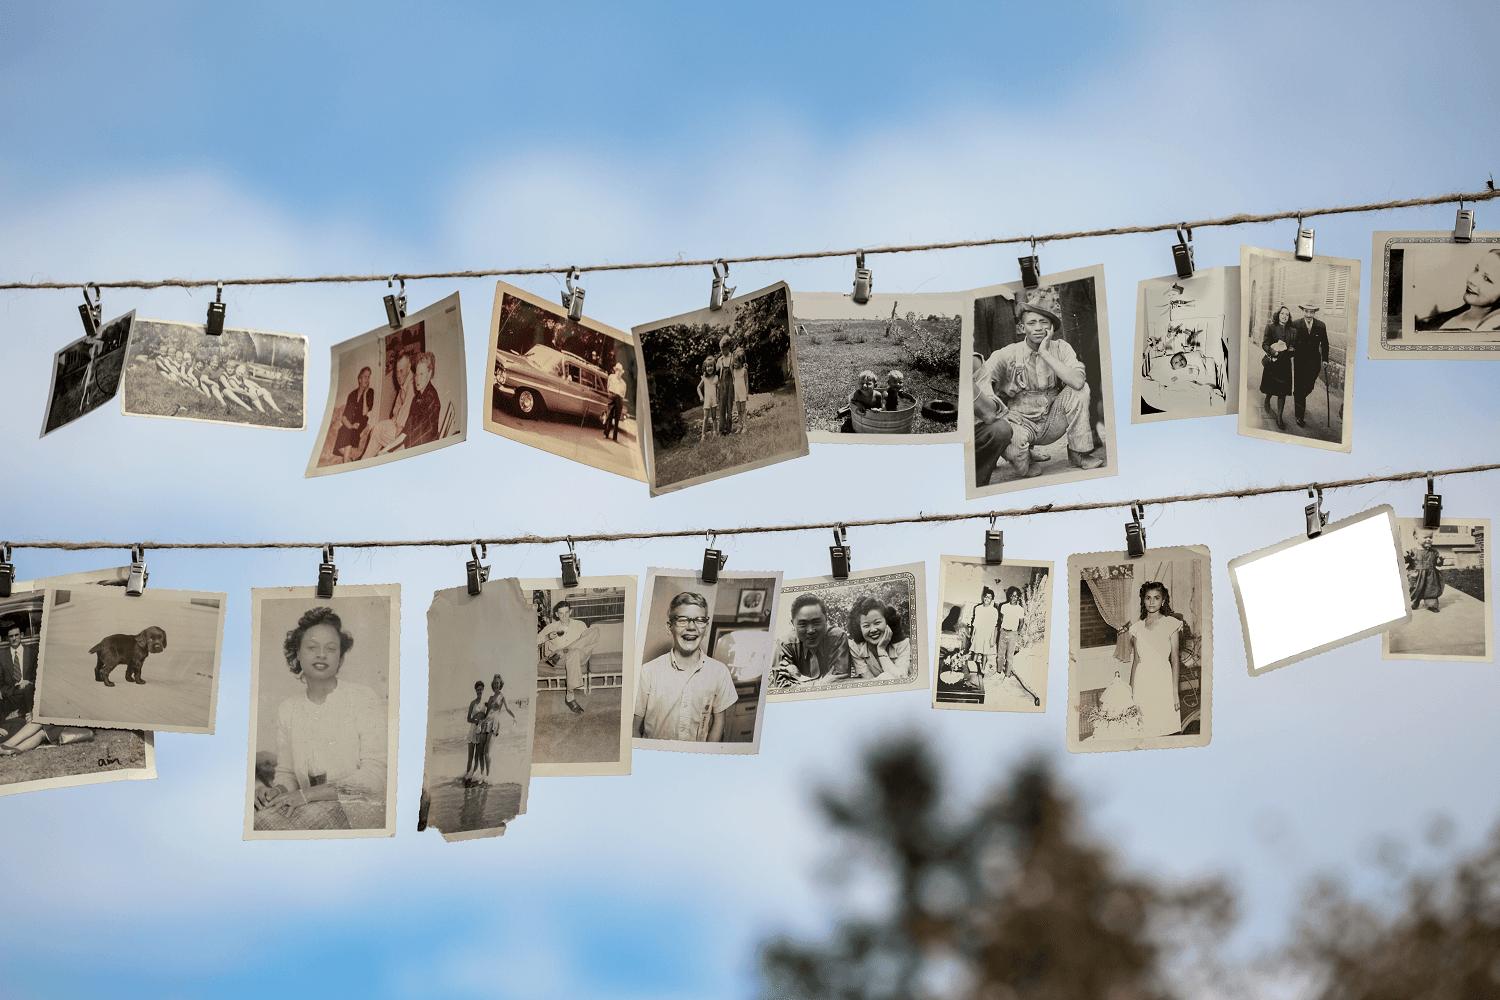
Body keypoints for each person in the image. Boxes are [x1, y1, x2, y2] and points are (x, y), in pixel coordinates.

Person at [254, 606, 387, 831]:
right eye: (312, 647)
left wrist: (307, 795)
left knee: (266, 825)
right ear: (297, 653)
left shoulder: (362, 697)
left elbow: (375, 777)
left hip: (357, 809)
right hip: (306, 806)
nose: (321, 654)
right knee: (256, 819)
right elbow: (287, 775)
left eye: (331, 648)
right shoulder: (288, 709)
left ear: (340, 657)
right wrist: (276, 791)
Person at [975, 287, 1103, 479]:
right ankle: (1026, 455)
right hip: (1021, 424)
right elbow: (981, 382)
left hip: (1053, 420)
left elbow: (1078, 382)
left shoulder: (1061, 348)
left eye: (1044, 322)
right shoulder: (1006, 354)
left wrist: (1045, 353)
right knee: (1026, 470)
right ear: (1021, 328)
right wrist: (1002, 413)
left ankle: (1078, 453)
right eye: (1031, 323)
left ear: (1052, 327)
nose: (1037, 328)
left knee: (1081, 390)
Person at [634, 592, 737, 741]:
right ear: (670, 627)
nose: (691, 627)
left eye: (699, 620)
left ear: (706, 628)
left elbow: (719, 722)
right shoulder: (648, 672)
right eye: (682, 620)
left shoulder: (719, 672)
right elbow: (633, 729)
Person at [1122, 582, 1182, 739]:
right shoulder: (1137, 628)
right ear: (1143, 600)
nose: (1152, 602)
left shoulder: (1171, 624)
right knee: (1144, 730)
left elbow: (1175, 659)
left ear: (1163, 601)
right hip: (1143, 682)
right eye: (1148, 598)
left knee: (1164, 730)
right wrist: (1131, 692)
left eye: (1156, 598)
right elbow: (1136, 661)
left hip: (1163, 681)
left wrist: (1175, 692)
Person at [772, 593, 851, 689]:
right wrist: (823, 683)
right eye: (803, 624)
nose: (810, 630)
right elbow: (783, 689)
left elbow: (839, 682)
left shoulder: (837, 638)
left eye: (816, 622)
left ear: (826, 620)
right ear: (793, 624)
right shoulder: (785, 645)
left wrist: (800, 678)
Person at [1416, 247, 1500, 332]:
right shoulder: (1448, 316)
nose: (1472, 280)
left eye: (1487, 279)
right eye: (1476, 269)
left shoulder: (1488, 332)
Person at [537, 600, 590, 715]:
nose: (564, 616)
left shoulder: (580, 625)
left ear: (570, 612)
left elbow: (587, 641)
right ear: (557, 614)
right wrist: (547, 636)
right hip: (557, 658)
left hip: (578, 654)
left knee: (594, 632)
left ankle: (567, 650)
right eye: (561, 613)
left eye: (566, 612)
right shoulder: (551, 627)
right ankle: (570, 696)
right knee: (574, 653)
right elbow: (535, 640)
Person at [845, 596, 911, 680]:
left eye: (877, 623)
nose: (873, 630)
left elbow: (901, 679)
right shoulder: (856, 648)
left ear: (888, 622)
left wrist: (881, 651)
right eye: (866, 626)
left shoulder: (903, 644)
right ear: (859, 628)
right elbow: (869, 682)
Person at [362, 353, 414, 458]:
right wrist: (390, 424)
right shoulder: (404, 384)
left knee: (377, 434)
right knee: (376, 428)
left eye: (401, 371)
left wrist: (394, 443)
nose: (398, 375)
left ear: (408, 368)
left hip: (407, 431)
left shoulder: (411, 385)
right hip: (398, 424)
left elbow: (402, 419)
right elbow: (396, 409)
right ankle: (365, 460)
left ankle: (365, 461)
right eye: (396, 371)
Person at [972, 352, 1012, 487]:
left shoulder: (973, 362)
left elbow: (988, 414)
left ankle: (978, 486)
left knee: (1000, 430)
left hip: (969, 434)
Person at [1290, 302, 1329, 429]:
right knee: (1299, 386)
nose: (1308, 314)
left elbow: (1325, 344)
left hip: (1314, 361)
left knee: (1309, 386)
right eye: (1306, 311)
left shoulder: (1321, 325)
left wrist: (1325, 359)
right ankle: (1299, 415)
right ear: (1303, 311)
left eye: (1311, 312)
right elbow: (1290, 341)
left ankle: (1299, 397)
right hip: (1299, 361)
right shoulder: (1295, 324)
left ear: (1314, 313)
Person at [1259, 305, 1296, 430]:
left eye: (1287, 314)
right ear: (1278, 315)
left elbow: (1293, 350)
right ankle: (1267, 399)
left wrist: (1291, 350)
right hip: (1272, 364)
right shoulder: (1270, 327)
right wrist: (1272, 352)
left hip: (1285, 365)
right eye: (1282, 313)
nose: (1285, 316)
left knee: (1282, 393)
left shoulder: (1292, 331)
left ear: (1289, 317)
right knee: (1270, 387)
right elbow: (1265, 344)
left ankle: (1279, 417)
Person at [334, 366, 375, 463]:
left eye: (368, 377)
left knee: (350, 435)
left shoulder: (370, 392)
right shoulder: (352, 395)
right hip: (350, 423)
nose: (367, 379)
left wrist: (365, 394)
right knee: (339, 446)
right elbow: (344, 416)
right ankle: (350, 461)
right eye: (365, 377)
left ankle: (346, 467)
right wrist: (349, 425)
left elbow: (365, 412)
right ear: (359, 379)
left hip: (360, 422)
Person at [402, 352, 441, 448]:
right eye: (416, 374)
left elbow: (423, 435)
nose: (417, 379)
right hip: (415, 445)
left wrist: (399, 450)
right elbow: (406, 431)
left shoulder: (432, 398)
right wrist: (389, 447)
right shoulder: (416, 399)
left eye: (422, 374)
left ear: (430, 373)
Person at [482, 673, 516, 778]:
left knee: (487, 751)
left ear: (500, 684)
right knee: (483, 751)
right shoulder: (490, 697)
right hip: (486, 723)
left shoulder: (502, 696)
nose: (496, 685)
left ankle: (488, 776)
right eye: (495, 683)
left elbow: (507, 708)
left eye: (498, 683)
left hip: (494, 723)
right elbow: (486, 713)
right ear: (493, 685)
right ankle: (484, 774)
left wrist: (514, 716)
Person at [966, 587, 1000, 678]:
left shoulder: (994, 611)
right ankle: (973, 669)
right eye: (985, 596)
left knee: (985, 653)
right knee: (976, 652)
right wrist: (973, 635)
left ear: (992, 599)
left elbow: (994, 627)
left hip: (988, 634)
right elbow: (975, 624)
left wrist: (993, 639)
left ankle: (983, 670)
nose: (987, 599)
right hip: (979, 633)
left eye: (989, 597)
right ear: (983, 597)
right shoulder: (978, 608)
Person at [1409, 536, 1445, 613]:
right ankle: (1414, 602)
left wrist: (1440, 560)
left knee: (1431, 590)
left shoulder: (1434, 552)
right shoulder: (1413, 551)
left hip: (1431, 576)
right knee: (1415, 589)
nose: (1429, 539)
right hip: (1416, 575)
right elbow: (1405, 559)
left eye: (1431, 537)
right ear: (1416, 538)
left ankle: (1431, 604)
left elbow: (1438, 564)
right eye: (1425, 537)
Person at [464, 680, 489, 784]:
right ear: (475, 690)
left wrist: (483, 723)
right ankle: (467, 775)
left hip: (480, 731)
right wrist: (476, 721)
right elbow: (468, 719)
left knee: (478, 756)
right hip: (472, 731)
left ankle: (474, 775)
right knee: (470, 755)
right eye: (477, 690)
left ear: (483, 690)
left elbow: (488, 716)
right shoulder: (472, 703)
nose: (479, 691)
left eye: (480, 689)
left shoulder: (485, 703)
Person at [997, 586, 1025, 677]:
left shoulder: (1020, 609)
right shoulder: (1004, 606)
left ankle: (1007, 675)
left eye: (1016, 596)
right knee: (1000, 654)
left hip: (1013, 634)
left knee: (1009, 656)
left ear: (1018, 597)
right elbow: (1001, 618)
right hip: (1003, 632)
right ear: (1009, 596)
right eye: (1012, 596)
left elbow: (1021, 623)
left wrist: (1017, 632)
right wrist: (1002, 629)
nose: (1013, 598)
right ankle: (998, 671)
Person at [716, 335, 735, 435]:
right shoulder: (720, 360)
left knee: (729, 407)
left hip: (731, 385)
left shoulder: (733, 357)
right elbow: (715, 373)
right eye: (721, 350)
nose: (722, 352)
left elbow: (736, 370)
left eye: (724, 349)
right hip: (722, 386)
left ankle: (729, 429)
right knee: (722, 407)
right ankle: (721, 430)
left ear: (729, 347)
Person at [695, 357, 719, 441]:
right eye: (708, 366)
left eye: (711, 366)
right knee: (705, 418)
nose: (709, 368)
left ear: (714, 366)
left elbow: (718, 388)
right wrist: (701, 396)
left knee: (714, 417)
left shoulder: (716, 377)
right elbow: (698, 387)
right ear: (705, 368)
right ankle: (703, 435)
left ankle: (715, 433)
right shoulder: (704, 378)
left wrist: (718, 397)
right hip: (707, 400)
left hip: (714, 399)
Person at [603, 362, 627, 440]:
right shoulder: (611, 377)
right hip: (611, 397)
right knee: (609, 416)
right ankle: (606, 433)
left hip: (619, 399)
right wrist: (610, 395)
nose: (618, 372)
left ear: (621, 373)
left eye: (619, 371)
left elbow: (623, 394)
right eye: (617, 370)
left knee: (617, 418)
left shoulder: (623, 383)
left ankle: (615, 437)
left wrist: (619, 397)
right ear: (615, 370)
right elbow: (608, 387)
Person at [731, 348, 749, 433]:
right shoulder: (734, 371)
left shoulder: (744, 370)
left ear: (741, 362)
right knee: (738, 411)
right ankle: (739, 426)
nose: (734, 363)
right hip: (737, 393)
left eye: (736, 362)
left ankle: (745, 426)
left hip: (742, 392)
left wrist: (747, 394)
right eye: (734, 362)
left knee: (743, 410)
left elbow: (746, 383)